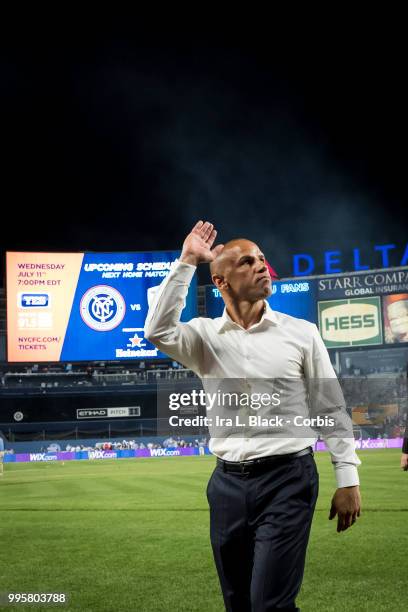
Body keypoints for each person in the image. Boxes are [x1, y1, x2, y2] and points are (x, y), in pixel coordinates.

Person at [144, 221, 361, 611]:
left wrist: (347, 478)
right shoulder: (202, 337)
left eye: (262, 259)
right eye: (247, 262)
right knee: (238, 603)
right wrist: (188, 260)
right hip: (226, 485)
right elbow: (157, 330)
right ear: (221, 282)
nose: (261, 266)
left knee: (270, 605)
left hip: (288, 480)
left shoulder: (302, 333)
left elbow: (330, 407)